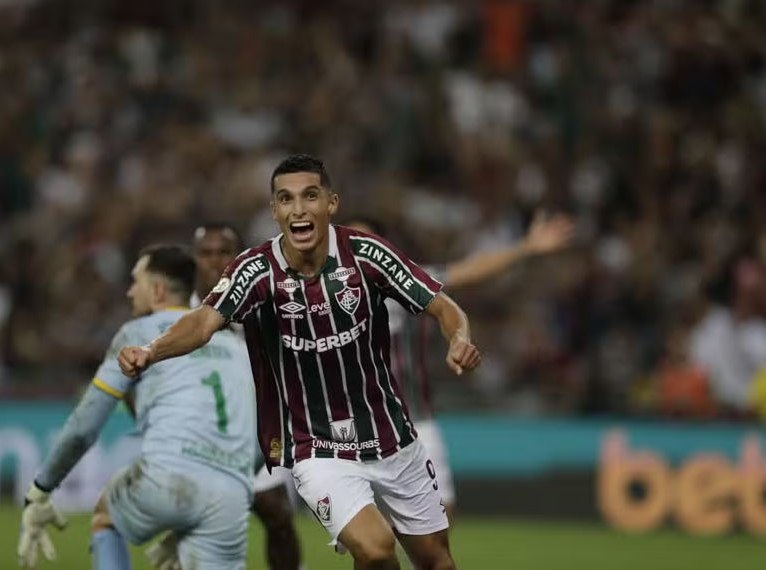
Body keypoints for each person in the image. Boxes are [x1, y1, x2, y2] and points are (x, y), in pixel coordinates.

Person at [118, 154, 481, 570]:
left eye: (310, 196)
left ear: (331, 203)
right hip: (318, 447)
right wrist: (150, 351)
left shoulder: (366, 255)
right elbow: (202, 322)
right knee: (377, 549)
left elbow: (441, 304)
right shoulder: (255, 270)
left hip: (392, 437)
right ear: (274, 211)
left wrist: (460, 336)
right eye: (286, 199)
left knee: (438, 562)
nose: (298, 209)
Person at [17, 245, 257, 570]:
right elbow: (263, 441)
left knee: (106, 515)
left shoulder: (137, 335)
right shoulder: (235, 344)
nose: (130, 291)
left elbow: (84, 427)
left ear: (157, 290)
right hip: (231, 494)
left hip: (169, 477)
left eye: (136, 282)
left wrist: (40, 490)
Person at [346, 211, 575, 520]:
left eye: (365, 240)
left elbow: (468, 270)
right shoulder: (322, 294)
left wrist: (526, 247)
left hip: (415, 421)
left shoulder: (408, 281)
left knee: (442, 516)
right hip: (357, 429)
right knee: (368, 534)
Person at [191, 222, 303, 570]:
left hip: (255, 434)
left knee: (277, 513)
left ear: (238, 259)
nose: (213, 261)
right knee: (196, 529)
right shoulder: (177, 313)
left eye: (222, 252)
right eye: (205, 253)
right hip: (197, 437)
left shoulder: (262, 305)